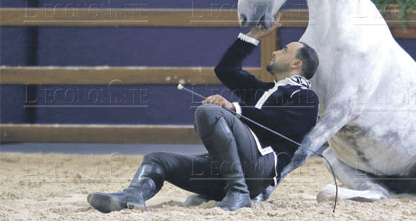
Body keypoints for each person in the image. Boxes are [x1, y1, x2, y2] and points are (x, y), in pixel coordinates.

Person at [87, 17, 320, 212]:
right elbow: (226, 70)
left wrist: (234, 108)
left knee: (210, 112)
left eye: (284, 50)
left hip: (260, 168)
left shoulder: (307, 98)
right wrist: (255, 34)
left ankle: (239, 193)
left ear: (296, 64)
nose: (277, 51)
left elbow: (283, 125)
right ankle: (131, 197)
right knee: (156, 159)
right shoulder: (262, 91)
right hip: (227, 170)